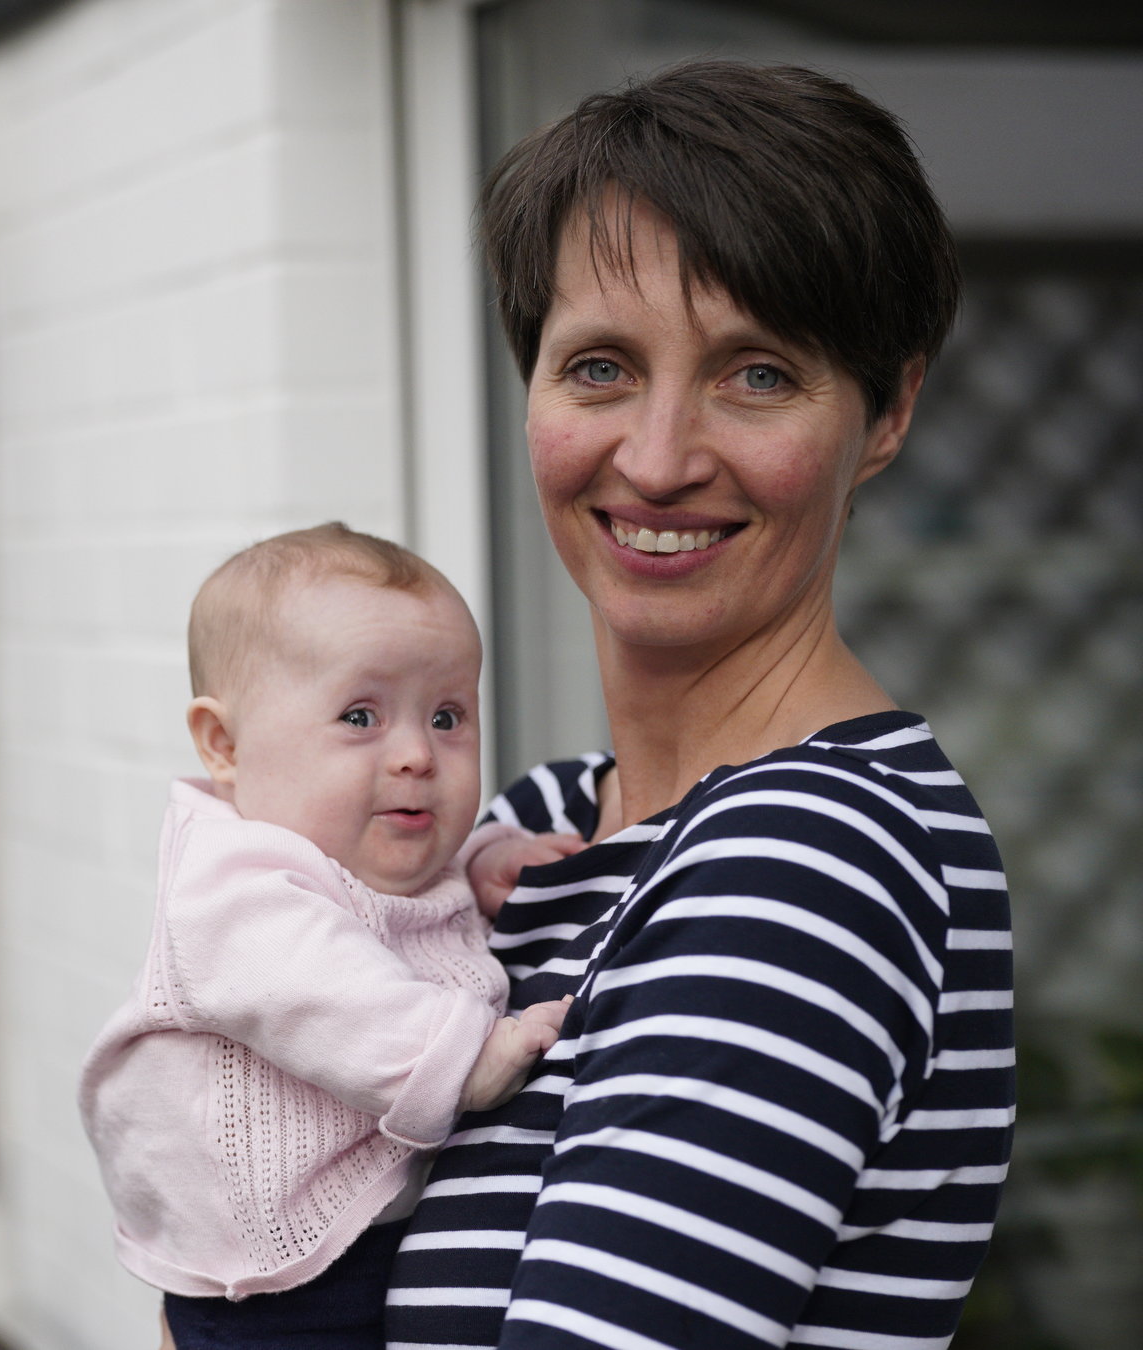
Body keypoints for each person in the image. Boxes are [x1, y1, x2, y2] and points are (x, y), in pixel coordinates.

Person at [383, 61, 1014, 1350]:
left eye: (759, 374)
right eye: (600, 367)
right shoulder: (547, 821)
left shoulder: (809, 861)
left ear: (887, 412)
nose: (660, 459)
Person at [77, 523, 570, 1350]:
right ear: (225, 745)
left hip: (367, 1238)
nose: (416, 754)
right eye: (360, 716)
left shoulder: (361, 846)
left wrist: (483, 858)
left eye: (447, 715)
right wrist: (463, 1060)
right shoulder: (230, 886)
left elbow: (406, 898)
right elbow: (322, 988)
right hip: (279, 1290)